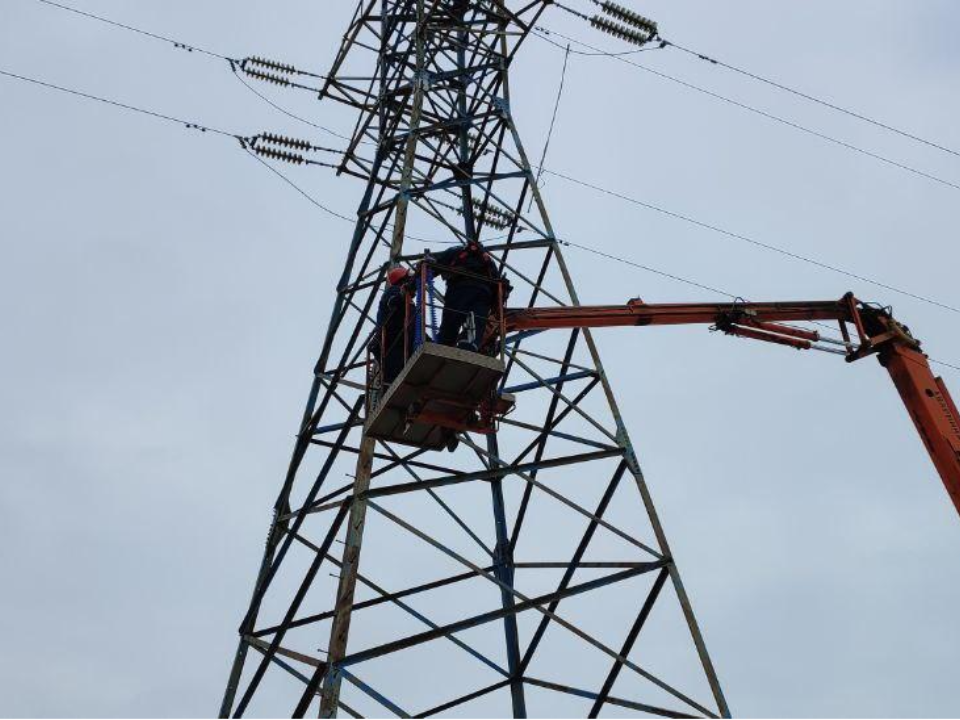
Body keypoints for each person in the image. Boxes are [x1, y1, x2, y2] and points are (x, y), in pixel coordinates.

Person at [431, 239, 502, 352]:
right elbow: (498, 285)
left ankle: (444, 345)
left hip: (460, 290)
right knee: (477, 322)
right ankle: (469, 344)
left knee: (451, 322)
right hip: (483, 295)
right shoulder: (488, 260)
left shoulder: (456, 251)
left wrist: (418, 276)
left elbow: (433, 266)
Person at [370, 266, 414, 386]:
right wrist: (401, 295)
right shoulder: (394, 290)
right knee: (392, 381)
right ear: (403, 280)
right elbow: (393, 302)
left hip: (398, 341)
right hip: (391, 343)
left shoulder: (407, 301)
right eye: (409, 280)